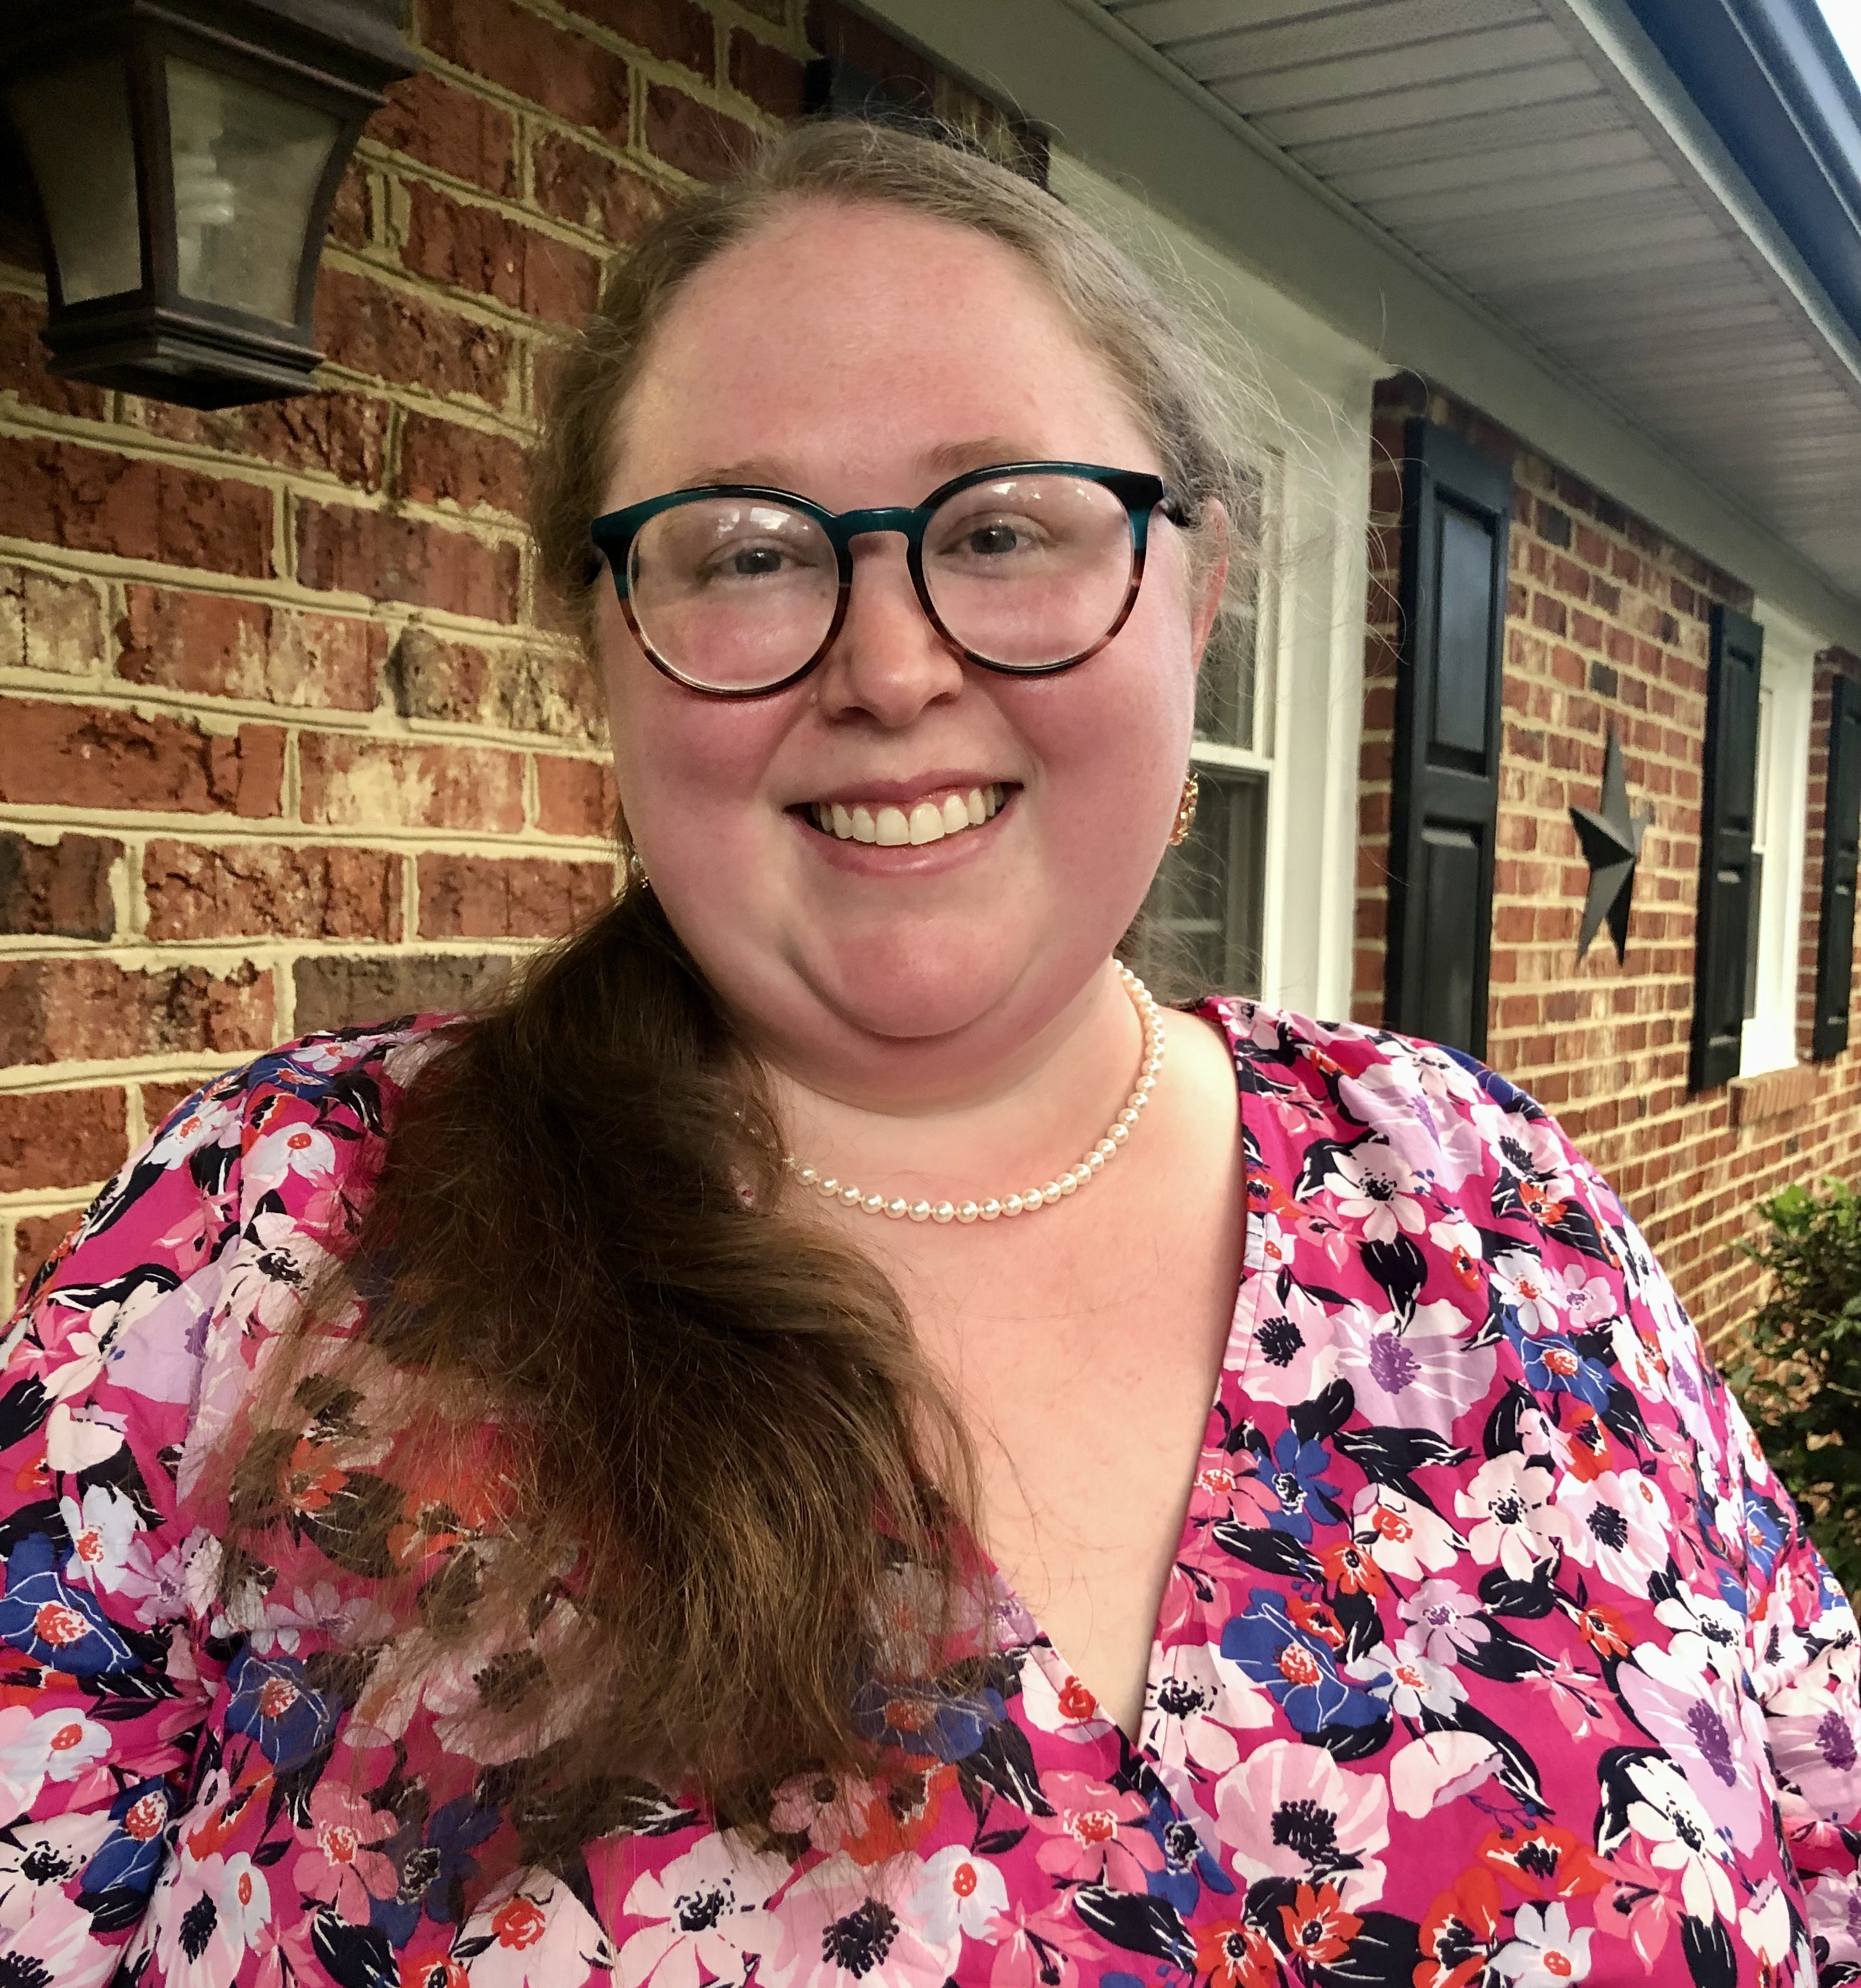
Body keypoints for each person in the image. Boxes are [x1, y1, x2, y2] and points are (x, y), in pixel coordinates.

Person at [0, 118, 1854, 1988]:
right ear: (604, 654)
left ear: (1196, 598)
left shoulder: (1482, 1206)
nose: (888, 665)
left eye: (1000, 530)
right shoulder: (283, 1230)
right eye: (744, 552)